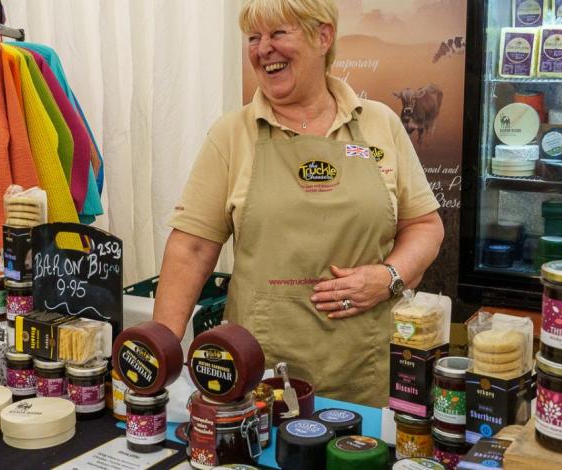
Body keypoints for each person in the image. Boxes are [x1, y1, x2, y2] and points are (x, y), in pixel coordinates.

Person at [153, 0, 444, 407]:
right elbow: (192, 247)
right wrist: (158, 354)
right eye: (254, 38)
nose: (262, 49)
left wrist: (389, 276)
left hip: (365, 370)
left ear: (323, 37)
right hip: (258, 375)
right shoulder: (231, 135)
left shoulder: (380, 124)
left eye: (278, 34)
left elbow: (425, 226)